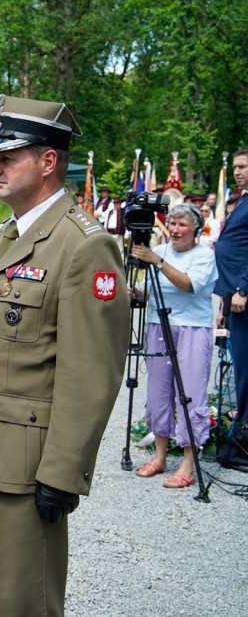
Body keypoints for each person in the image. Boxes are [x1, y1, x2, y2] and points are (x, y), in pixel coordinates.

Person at [0, 95, 128, 617]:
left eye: (7, 157)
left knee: (27, 605)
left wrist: (63, 472)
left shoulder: (85, 245)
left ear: (48, 162)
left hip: (26, 464)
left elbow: (92, 370)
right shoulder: (8, 235)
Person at [130, 204, 217, 488]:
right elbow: (149, 289)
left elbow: (188, 284)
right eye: (173, 224)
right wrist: (134, 290)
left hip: (193, 328)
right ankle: (160, 457)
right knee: (158, 393)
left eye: (182, 225)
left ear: (196, 229)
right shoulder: (163, 252)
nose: (176, 230)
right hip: (158, 325)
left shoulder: (203, 254)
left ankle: (188, 465)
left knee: (190, 394)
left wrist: (156, 261)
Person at [214, 147, 248, 421]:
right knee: (240, 361)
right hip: (233, 297)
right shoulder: (242, 200)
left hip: (243, 295)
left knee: (246, 363)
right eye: (236, 167)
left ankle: (244, 424)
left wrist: (243, 288)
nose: (238, 172)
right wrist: (226, 300)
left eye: (243, 167)